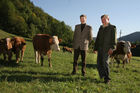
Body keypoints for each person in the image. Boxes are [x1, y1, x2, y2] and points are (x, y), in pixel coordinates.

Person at [93, 14, 117, 83]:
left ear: (108, 19)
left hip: (107, 49)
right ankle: (102, 75)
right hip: (100, 48)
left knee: (105, 63)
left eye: (104, 19)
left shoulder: (112, 27)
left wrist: (112, 48)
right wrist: (95, 48)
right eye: (102, 20)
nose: (103, 21)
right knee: (99, 63)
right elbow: (97, 39)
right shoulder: (101, 28)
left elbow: (114, 39)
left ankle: (107, 78)